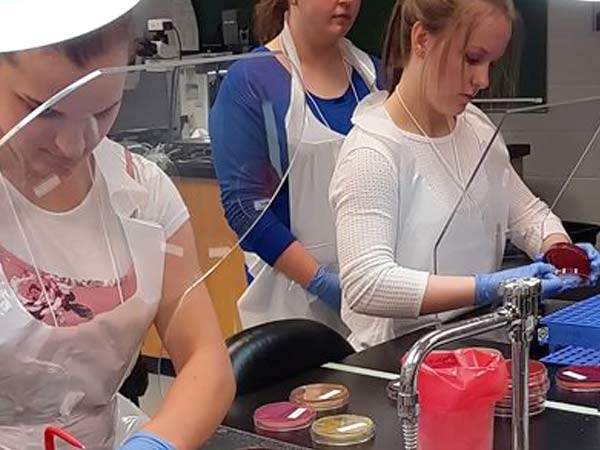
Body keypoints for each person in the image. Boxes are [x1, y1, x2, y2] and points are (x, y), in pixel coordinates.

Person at [0, 2, 235, 450]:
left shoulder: (141, 193)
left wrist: (156, 443)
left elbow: (206, 360)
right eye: (42, 110)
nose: (73, 145)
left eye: (102, 110)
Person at [329, 0, 600, 350]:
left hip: (476, 343)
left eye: (492, 63)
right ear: (422, 39)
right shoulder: (373, 150)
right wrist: (488, 286)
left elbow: (529, 214)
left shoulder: (476, 129)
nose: (483, 80)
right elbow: (367, 284)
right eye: (472, 58)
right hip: (399, 358)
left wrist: (558, 250)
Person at [210, 0, 384, 335]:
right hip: (290, 302)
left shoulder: (375, 76)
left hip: (376, 292)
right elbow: (247, 210)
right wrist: (321, 283)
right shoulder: (251, 81)